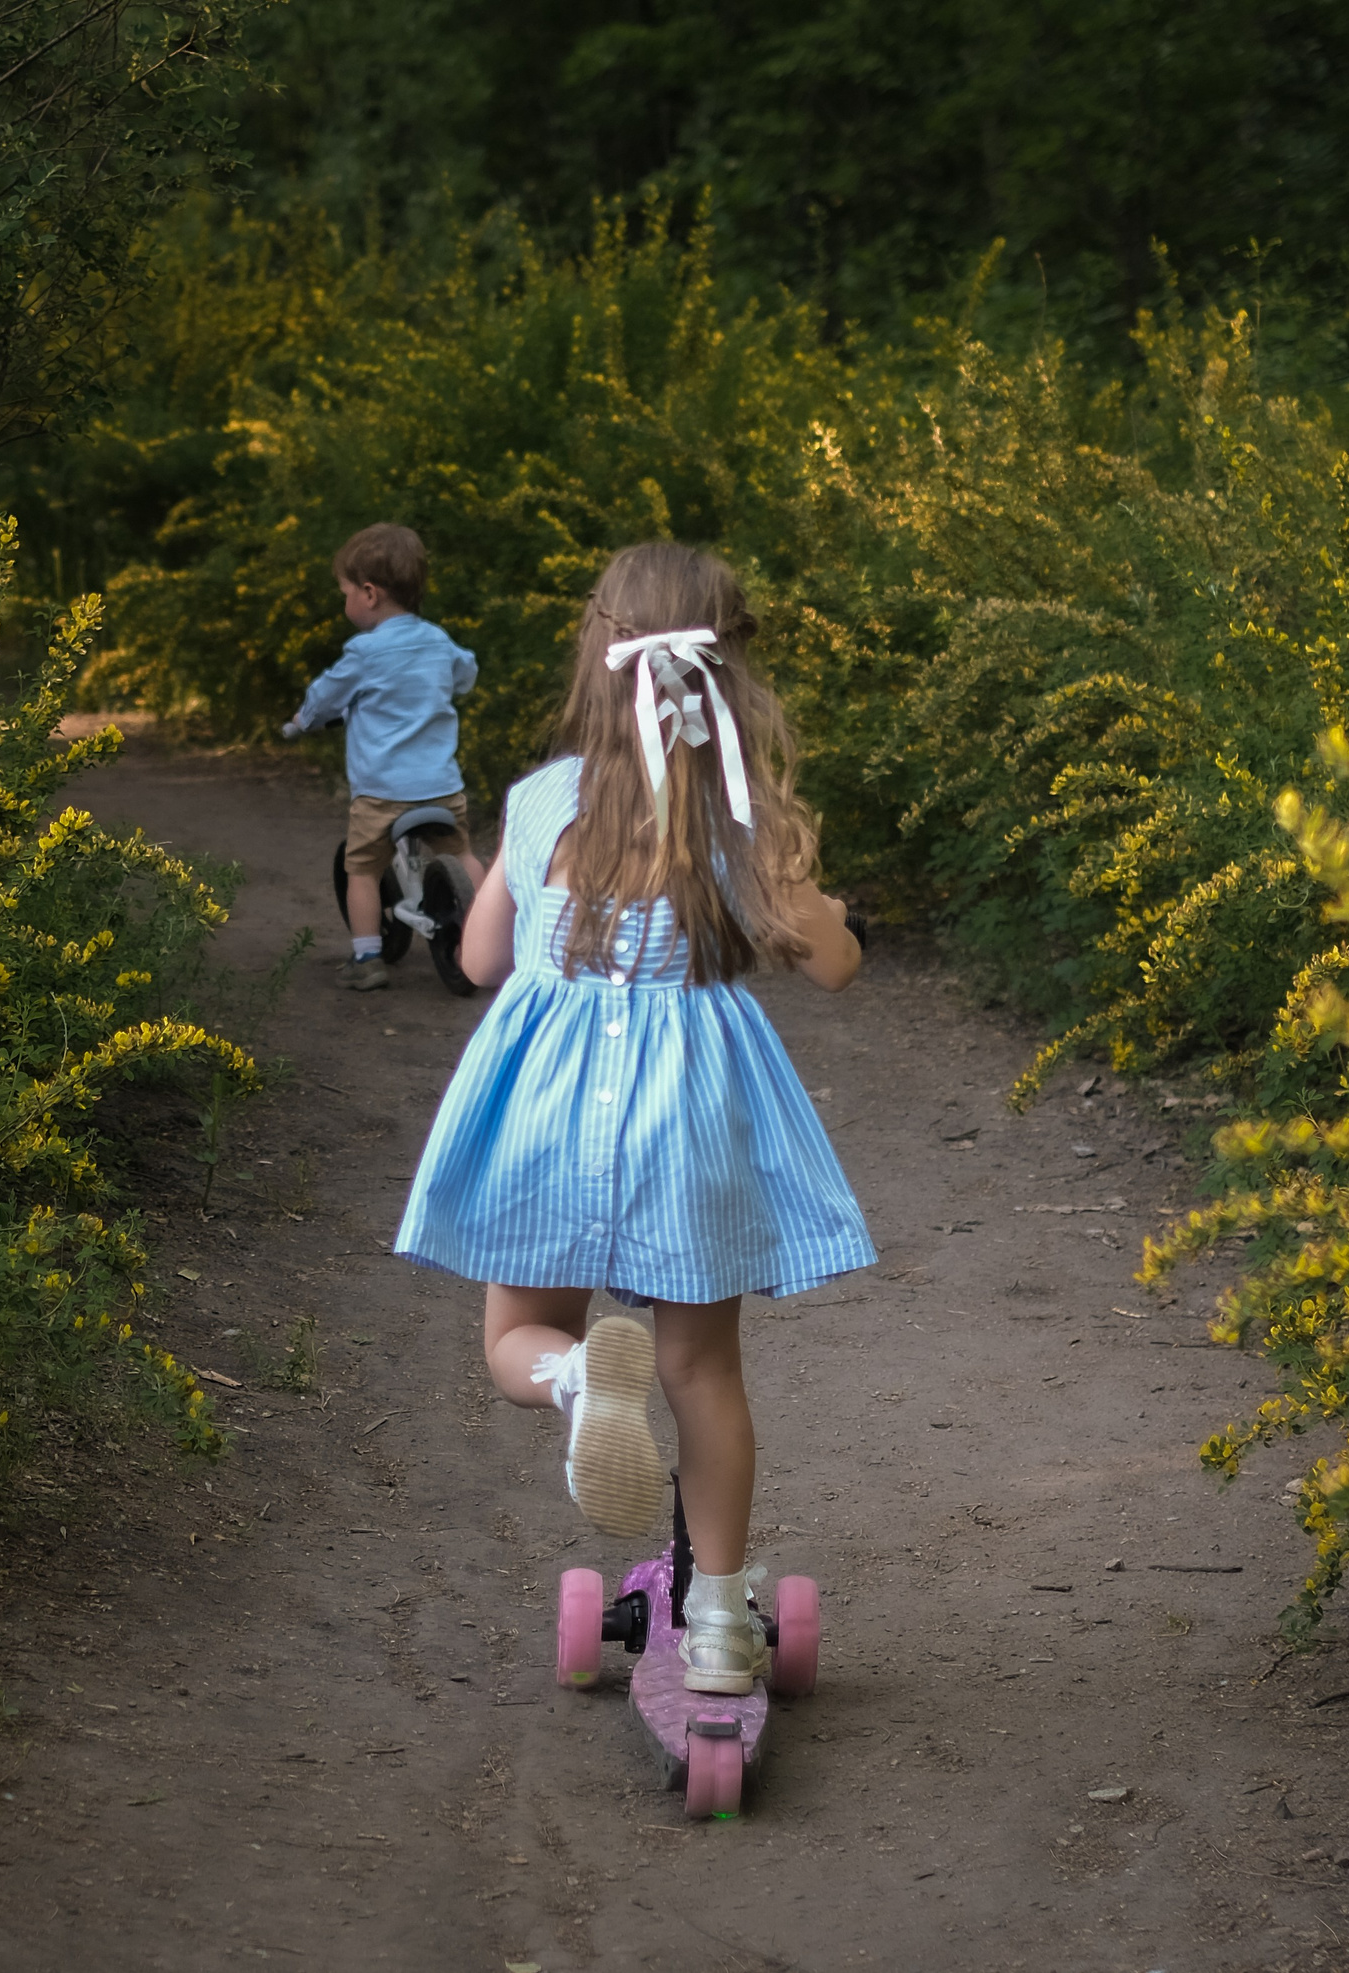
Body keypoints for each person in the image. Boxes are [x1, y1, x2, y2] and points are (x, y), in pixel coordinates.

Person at [393, 541, 875, 1695]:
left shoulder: (540, 801)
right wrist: (823, 909)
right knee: (701, 1369)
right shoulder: (738, 820)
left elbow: (478, 956)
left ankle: (568, 1380)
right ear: (727, 676)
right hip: (686, 1124)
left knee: (515, 1335)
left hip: (547, 1119)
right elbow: (836, 966)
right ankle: (715, 1621)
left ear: (597, 659)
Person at [281, 523, 485, 991]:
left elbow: (324, 696)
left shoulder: (365, 652)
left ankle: (367, 957)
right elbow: (465, 672)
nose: (345, 600)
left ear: (369, 594)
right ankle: (481, 934)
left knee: (363, 869)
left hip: (382, 794)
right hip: (441, 787)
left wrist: (302, 721)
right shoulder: (437, 640)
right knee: (460, 852)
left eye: (345, 592)